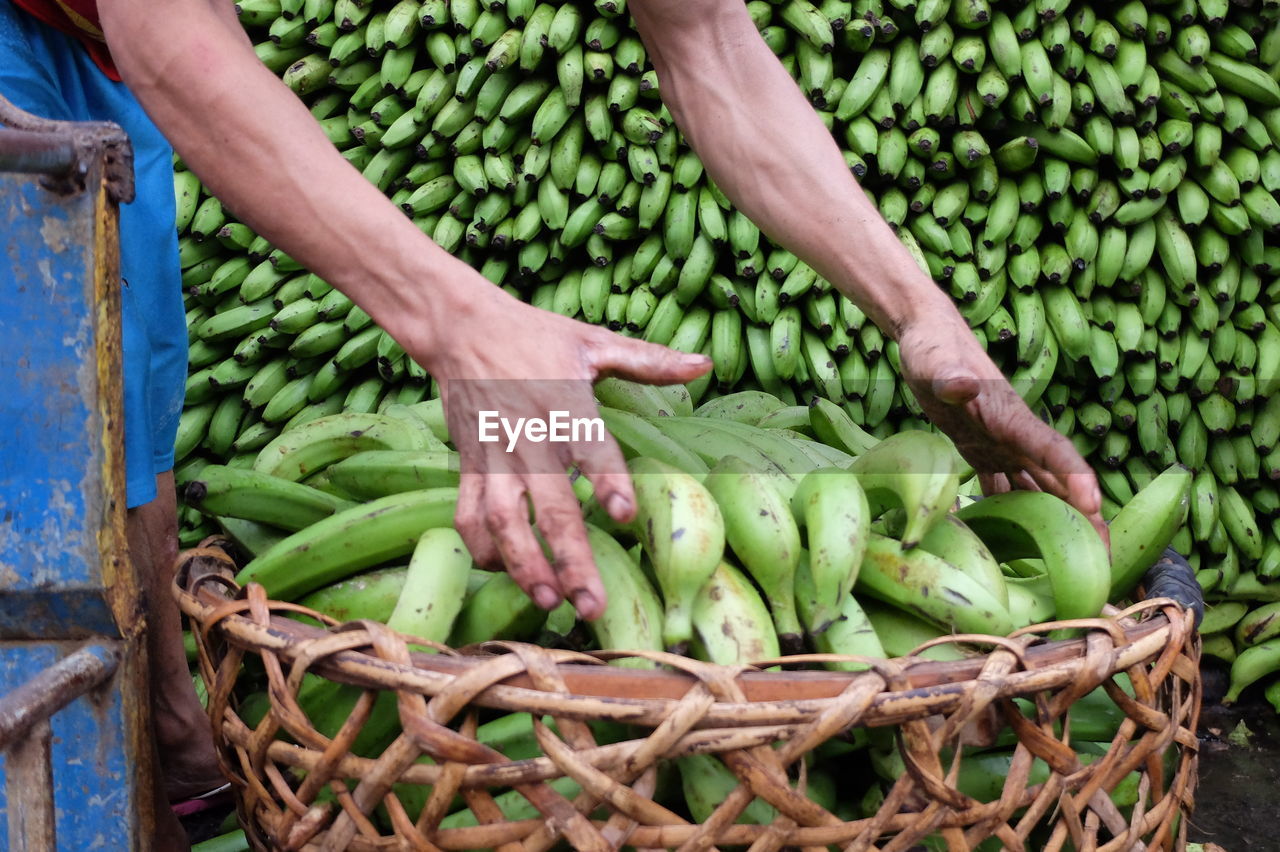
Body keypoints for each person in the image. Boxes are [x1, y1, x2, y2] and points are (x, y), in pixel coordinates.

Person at [1, 0, 1105, 846]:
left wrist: (922, 314)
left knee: (126, 388)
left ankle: (169, 748)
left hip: (85, 36)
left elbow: (709, 38)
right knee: (39, 436)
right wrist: (458, 321)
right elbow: (174, 36)